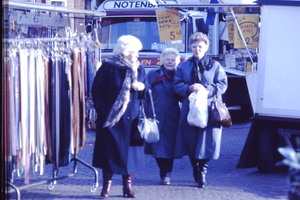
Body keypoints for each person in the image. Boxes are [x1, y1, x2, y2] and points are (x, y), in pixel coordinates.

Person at [91, 35, 147, 198]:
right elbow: (96, 91)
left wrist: (142, 87)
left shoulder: (140, 68)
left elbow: (147, 92)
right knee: (108, 154)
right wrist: (104, 111)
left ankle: (127, 187)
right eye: (135, 51)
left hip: (132, 119)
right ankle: (106, 186)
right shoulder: (108, 67)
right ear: (126, 50)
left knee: (129, 157)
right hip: (111, 119)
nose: (137, 54)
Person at [173, 32, 228, 188]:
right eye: (194, 46)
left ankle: (203, 171)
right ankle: (195, 167)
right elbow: (176, 85)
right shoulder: (183, 66)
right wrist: (188, 88)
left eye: (200, 46)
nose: (197, 49)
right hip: (190, 109)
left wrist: (206, 90)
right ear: (190, 47)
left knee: (206, 140)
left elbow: (222, 84)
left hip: (209, 108)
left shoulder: (215, 66)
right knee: (190, 140)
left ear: (206, 47)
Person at [144, 48, 182, 185]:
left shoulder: (179, 76)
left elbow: (183, 95)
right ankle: (163, 171)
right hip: (154, 115)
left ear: (177, 61)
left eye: (173, 60)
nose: (170, 62)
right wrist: (146, 110)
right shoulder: (152, 75)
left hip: (172, 116)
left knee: (169, 147)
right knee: (156, 146)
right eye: (167, 59)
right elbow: (145, 94)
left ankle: (166, 174)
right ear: (162, 60)